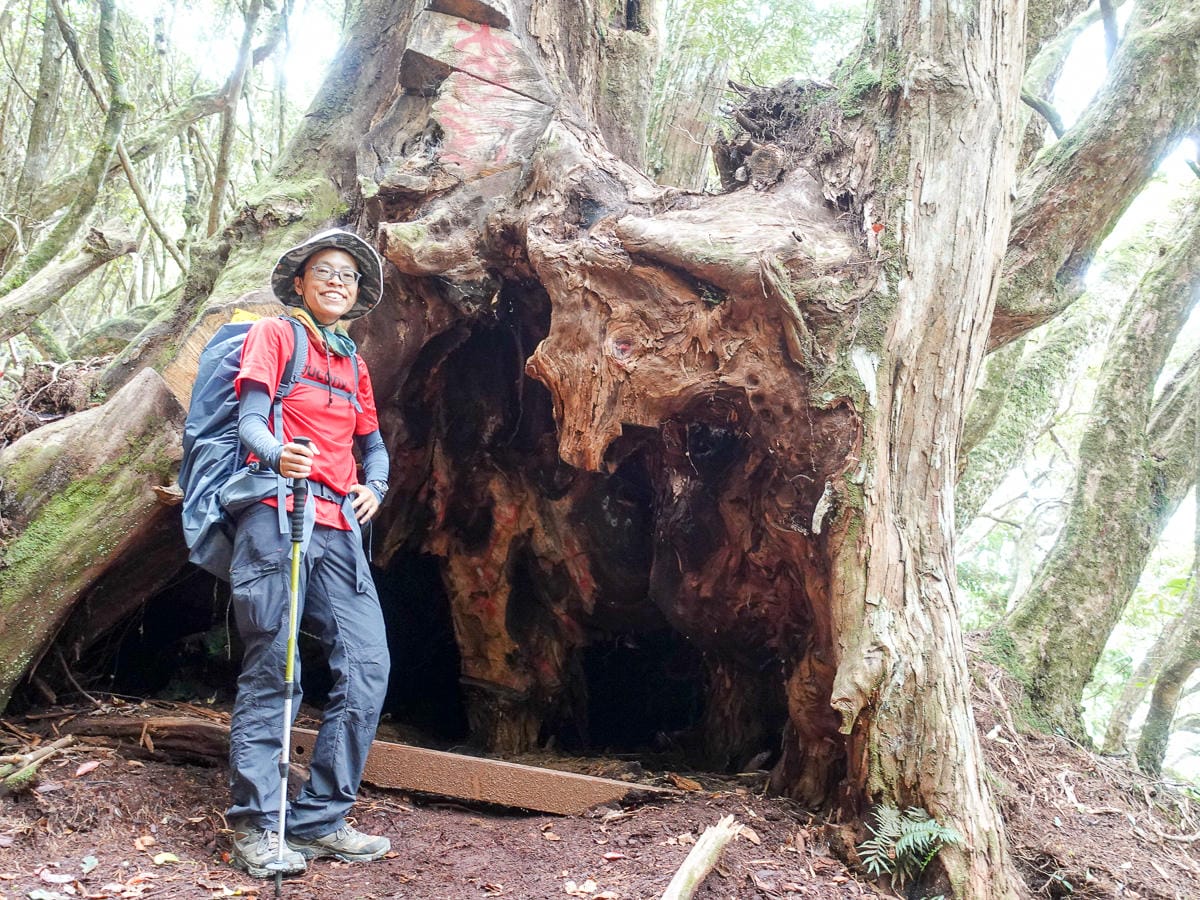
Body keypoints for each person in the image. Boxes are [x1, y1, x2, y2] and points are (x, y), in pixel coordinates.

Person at [225, 228, 392, 878]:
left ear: (356, 295)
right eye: (324, 271)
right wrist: (277, 453)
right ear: (301, 281)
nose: (336, 282)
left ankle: (320, 820)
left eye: (347, 277)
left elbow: (371, 443)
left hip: (339, 530)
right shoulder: (276, 336)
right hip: (277, 515)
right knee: (278, 667)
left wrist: (374, 486)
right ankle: (256, 828)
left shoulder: (355, 362)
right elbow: (251, 420)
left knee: (369, 666)